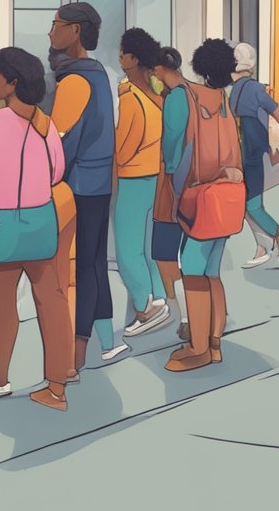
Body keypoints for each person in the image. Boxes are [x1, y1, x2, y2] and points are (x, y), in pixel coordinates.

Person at [0, 48, 72, 411]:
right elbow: (56, 172)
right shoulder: (47, 126)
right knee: (52, 301)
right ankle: (58, 385)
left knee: (2, 309)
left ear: (12, 82)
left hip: (2, 227)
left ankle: (0, 380)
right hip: (41, 222)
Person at [47, 3, 126, 370]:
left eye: (56, 25)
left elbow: (61, 144)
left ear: (75, 31)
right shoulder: (100, 74)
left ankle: (76, 353)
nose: (50, 32)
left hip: (77, 184)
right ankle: (107, 340)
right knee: (94, 261)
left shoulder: (74, 81)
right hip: (99, 180)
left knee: (79, 268)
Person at [164, 40, 243, 373]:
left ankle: (197, 348)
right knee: (212, 271)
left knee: (193, 270)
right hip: (228, 193)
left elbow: (171, 151)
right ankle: (214, 343)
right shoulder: (223, 100)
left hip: (199, 194)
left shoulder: (184, 97)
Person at [114, 29, 170, 338]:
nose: (120, 58)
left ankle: (144, 306)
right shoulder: (157, 96)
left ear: (134, 59)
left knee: (127, 249)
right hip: (156, 177)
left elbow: (124, 147)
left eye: (123, 53)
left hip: (134, 177)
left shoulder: (131, 98)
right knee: (149, 246)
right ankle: (159, 296)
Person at [230, 43, 279, 269]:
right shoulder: (255, 88)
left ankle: (275, 233)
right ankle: (266, 242)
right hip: (254, 151)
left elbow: (277, 114)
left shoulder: (235, 91)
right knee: (250, 204)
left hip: (245, 153)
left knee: (252, 205)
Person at [151, 48, 190, 341]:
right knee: (186, 249)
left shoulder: (176, 97)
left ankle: (182, 312)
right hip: (194, 180)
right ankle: (192, 311)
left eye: (155, 71)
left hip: (175, 179)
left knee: (164, 250)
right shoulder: (193, 92)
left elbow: (173, 136)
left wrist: (167, 166)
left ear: (163, 69)